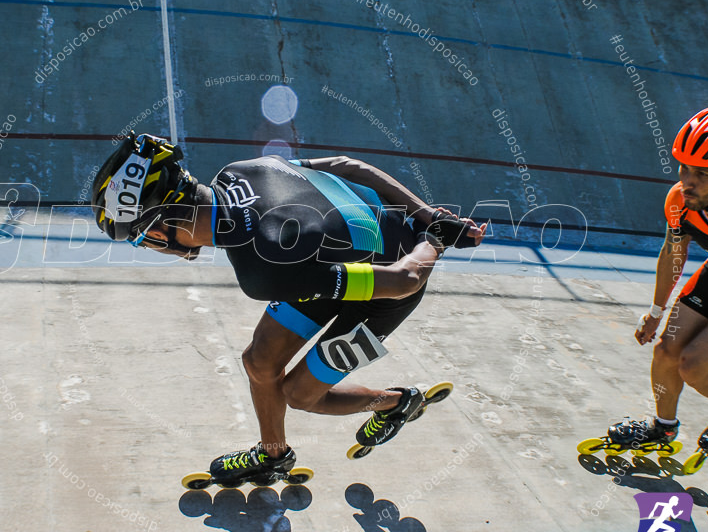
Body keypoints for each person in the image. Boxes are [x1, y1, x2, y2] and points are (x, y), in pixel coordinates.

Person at [91, 133, 485, 484]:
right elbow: (349, 166)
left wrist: (434, 237)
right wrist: (429, 216)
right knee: (259, 362)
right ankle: (272, 455)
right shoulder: (240, 170)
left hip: (387, 288)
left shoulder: (261, 270)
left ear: (159, 229)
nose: (152, 248)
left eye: (143, 240)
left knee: (301, 395)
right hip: (318, 263)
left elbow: (406, 281)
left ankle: (398, 403)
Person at [609, 105, 708, 454]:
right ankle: (662, 429)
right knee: (666, 351)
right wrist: (655, 311)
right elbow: (673, 254)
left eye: (703, 174)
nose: (687, 182)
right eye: (684, 168)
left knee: (694, 365)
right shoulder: (679, 201)